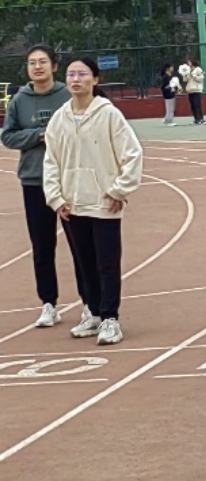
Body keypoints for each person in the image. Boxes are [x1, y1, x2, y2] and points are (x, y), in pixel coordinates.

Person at [43, 57, 144, 345]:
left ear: (95, 80)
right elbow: (51, 161)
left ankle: (110, 318)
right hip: (72, 204)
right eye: (70, 74)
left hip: (104, 203)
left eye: (82, 74)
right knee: (84, 262)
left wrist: (119, 189)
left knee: (107, 263)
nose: (76, 79)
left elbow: (132, 154)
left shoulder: (109, 115)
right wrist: (55, 197)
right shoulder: (59, 118)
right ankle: (94, 313)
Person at [1, 45, 89, 330]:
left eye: (42, 62)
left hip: (69, 181)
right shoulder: (19, 101)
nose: (37, 67)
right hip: (34, 180)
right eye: (32, 63)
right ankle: (48, 304)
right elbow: (8, 136)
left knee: (80, 244)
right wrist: (39, 135)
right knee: (42, 245)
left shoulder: (68, 95)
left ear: (54, 66)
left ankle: (89, 303)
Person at [186, 58, 206, 125]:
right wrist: (185, 75)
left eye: (189, 62)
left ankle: (201, 119)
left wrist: (194, 76)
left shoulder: (198, 69)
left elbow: (201, 78)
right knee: (193, 106)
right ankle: (196, 119)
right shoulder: (188, 70)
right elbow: (185, 80)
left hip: (197, 90)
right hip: (190, 90)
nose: (188, 64)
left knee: (197, 105)